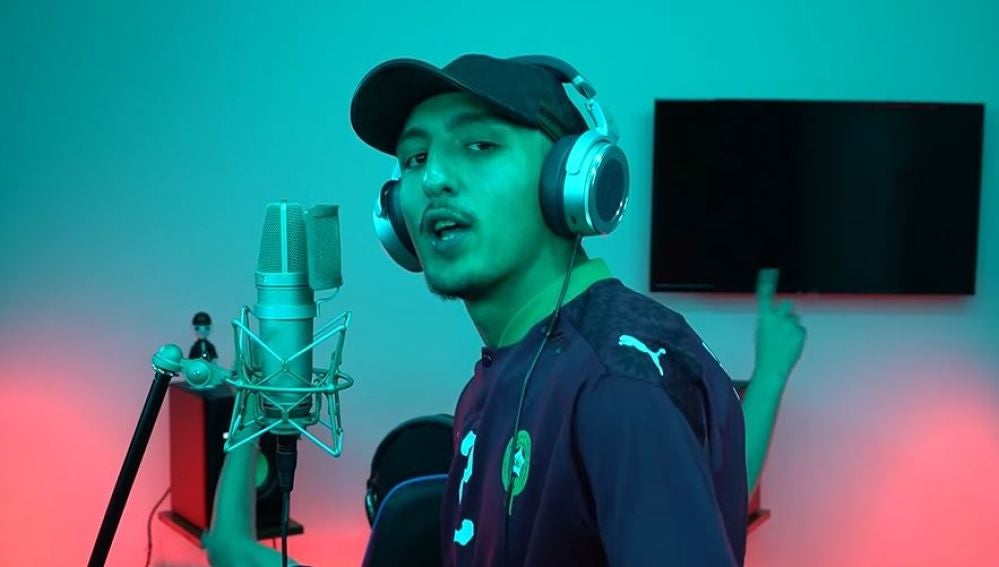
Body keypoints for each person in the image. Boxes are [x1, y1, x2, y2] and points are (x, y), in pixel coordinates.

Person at [203, 54, 805, 567]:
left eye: (480, 145)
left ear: (571, 181)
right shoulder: (511, 369)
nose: (434, 179)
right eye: (415, 159)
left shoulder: (616, 384)